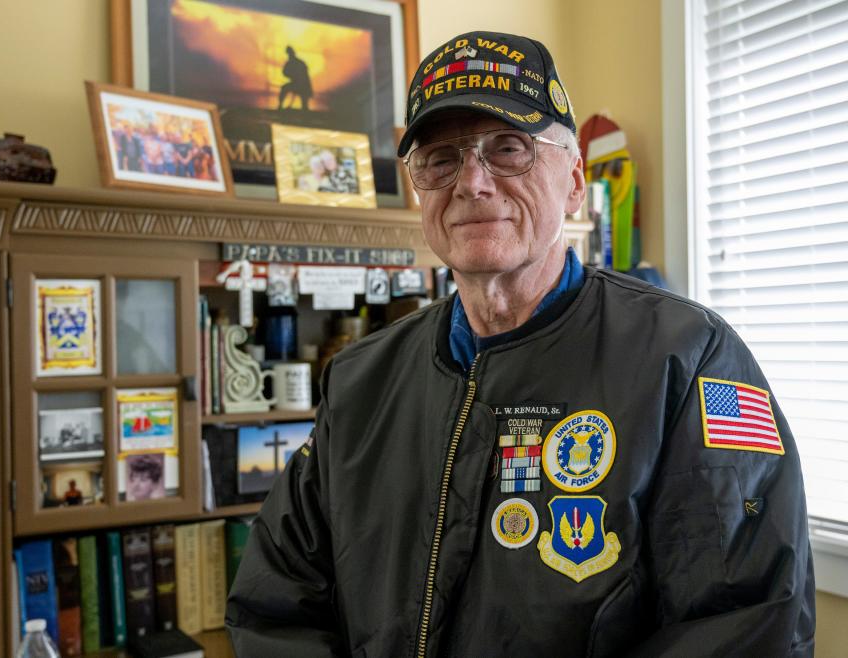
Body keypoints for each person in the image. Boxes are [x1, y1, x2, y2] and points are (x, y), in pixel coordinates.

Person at [226, 31, 815, 657]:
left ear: (574, 179)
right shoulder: (358, 381)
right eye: (440, 158)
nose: (472, 182)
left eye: (508, 148)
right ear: (420, 187)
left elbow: (746, 626)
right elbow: (275, 606)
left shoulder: (693, 359)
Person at [279, 45, 313, 111]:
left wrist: (293, 76)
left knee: (304, 102)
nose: (289, 56)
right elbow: (284, 72)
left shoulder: (300, 63)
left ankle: (305, 111)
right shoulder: (291, 63)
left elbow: (305, 77)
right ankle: (280, 106)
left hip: (304, 86)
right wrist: (291, 75)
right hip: (296, 84)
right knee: (284, 88)